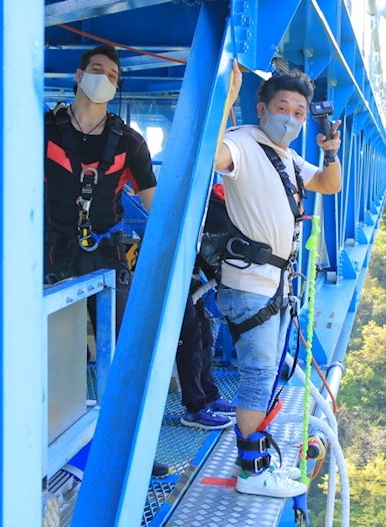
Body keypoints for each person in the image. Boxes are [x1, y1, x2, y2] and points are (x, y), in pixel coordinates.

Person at [213, 60, 342, 498]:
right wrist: (224, 102)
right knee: (257, 375)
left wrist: (330, 149)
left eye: (300, 113)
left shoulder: (286, 157)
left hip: (273, 287)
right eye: (282, 107)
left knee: (266, 376)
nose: (291, 117)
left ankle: (255, 460)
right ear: (262, 108)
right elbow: (213, 157)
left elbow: (329, 184)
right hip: (251, 286)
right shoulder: (244, 142)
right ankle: (251, 471)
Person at [43, 44, 169, 478]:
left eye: (112, 75)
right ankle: (57, 448)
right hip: (54, 254)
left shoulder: (129, 143)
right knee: (56, 356)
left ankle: (128, 451)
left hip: (105, 258)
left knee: (123, 356)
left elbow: (156, 205)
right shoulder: (44, 132)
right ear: (78, 77)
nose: (104, 78)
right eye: (96, 70)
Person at [176, 277, 236, 430]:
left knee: (204, 335)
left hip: (187, 279)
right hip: (173, 279)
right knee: (190, 342)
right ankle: (194, 409)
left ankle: (209, 396)